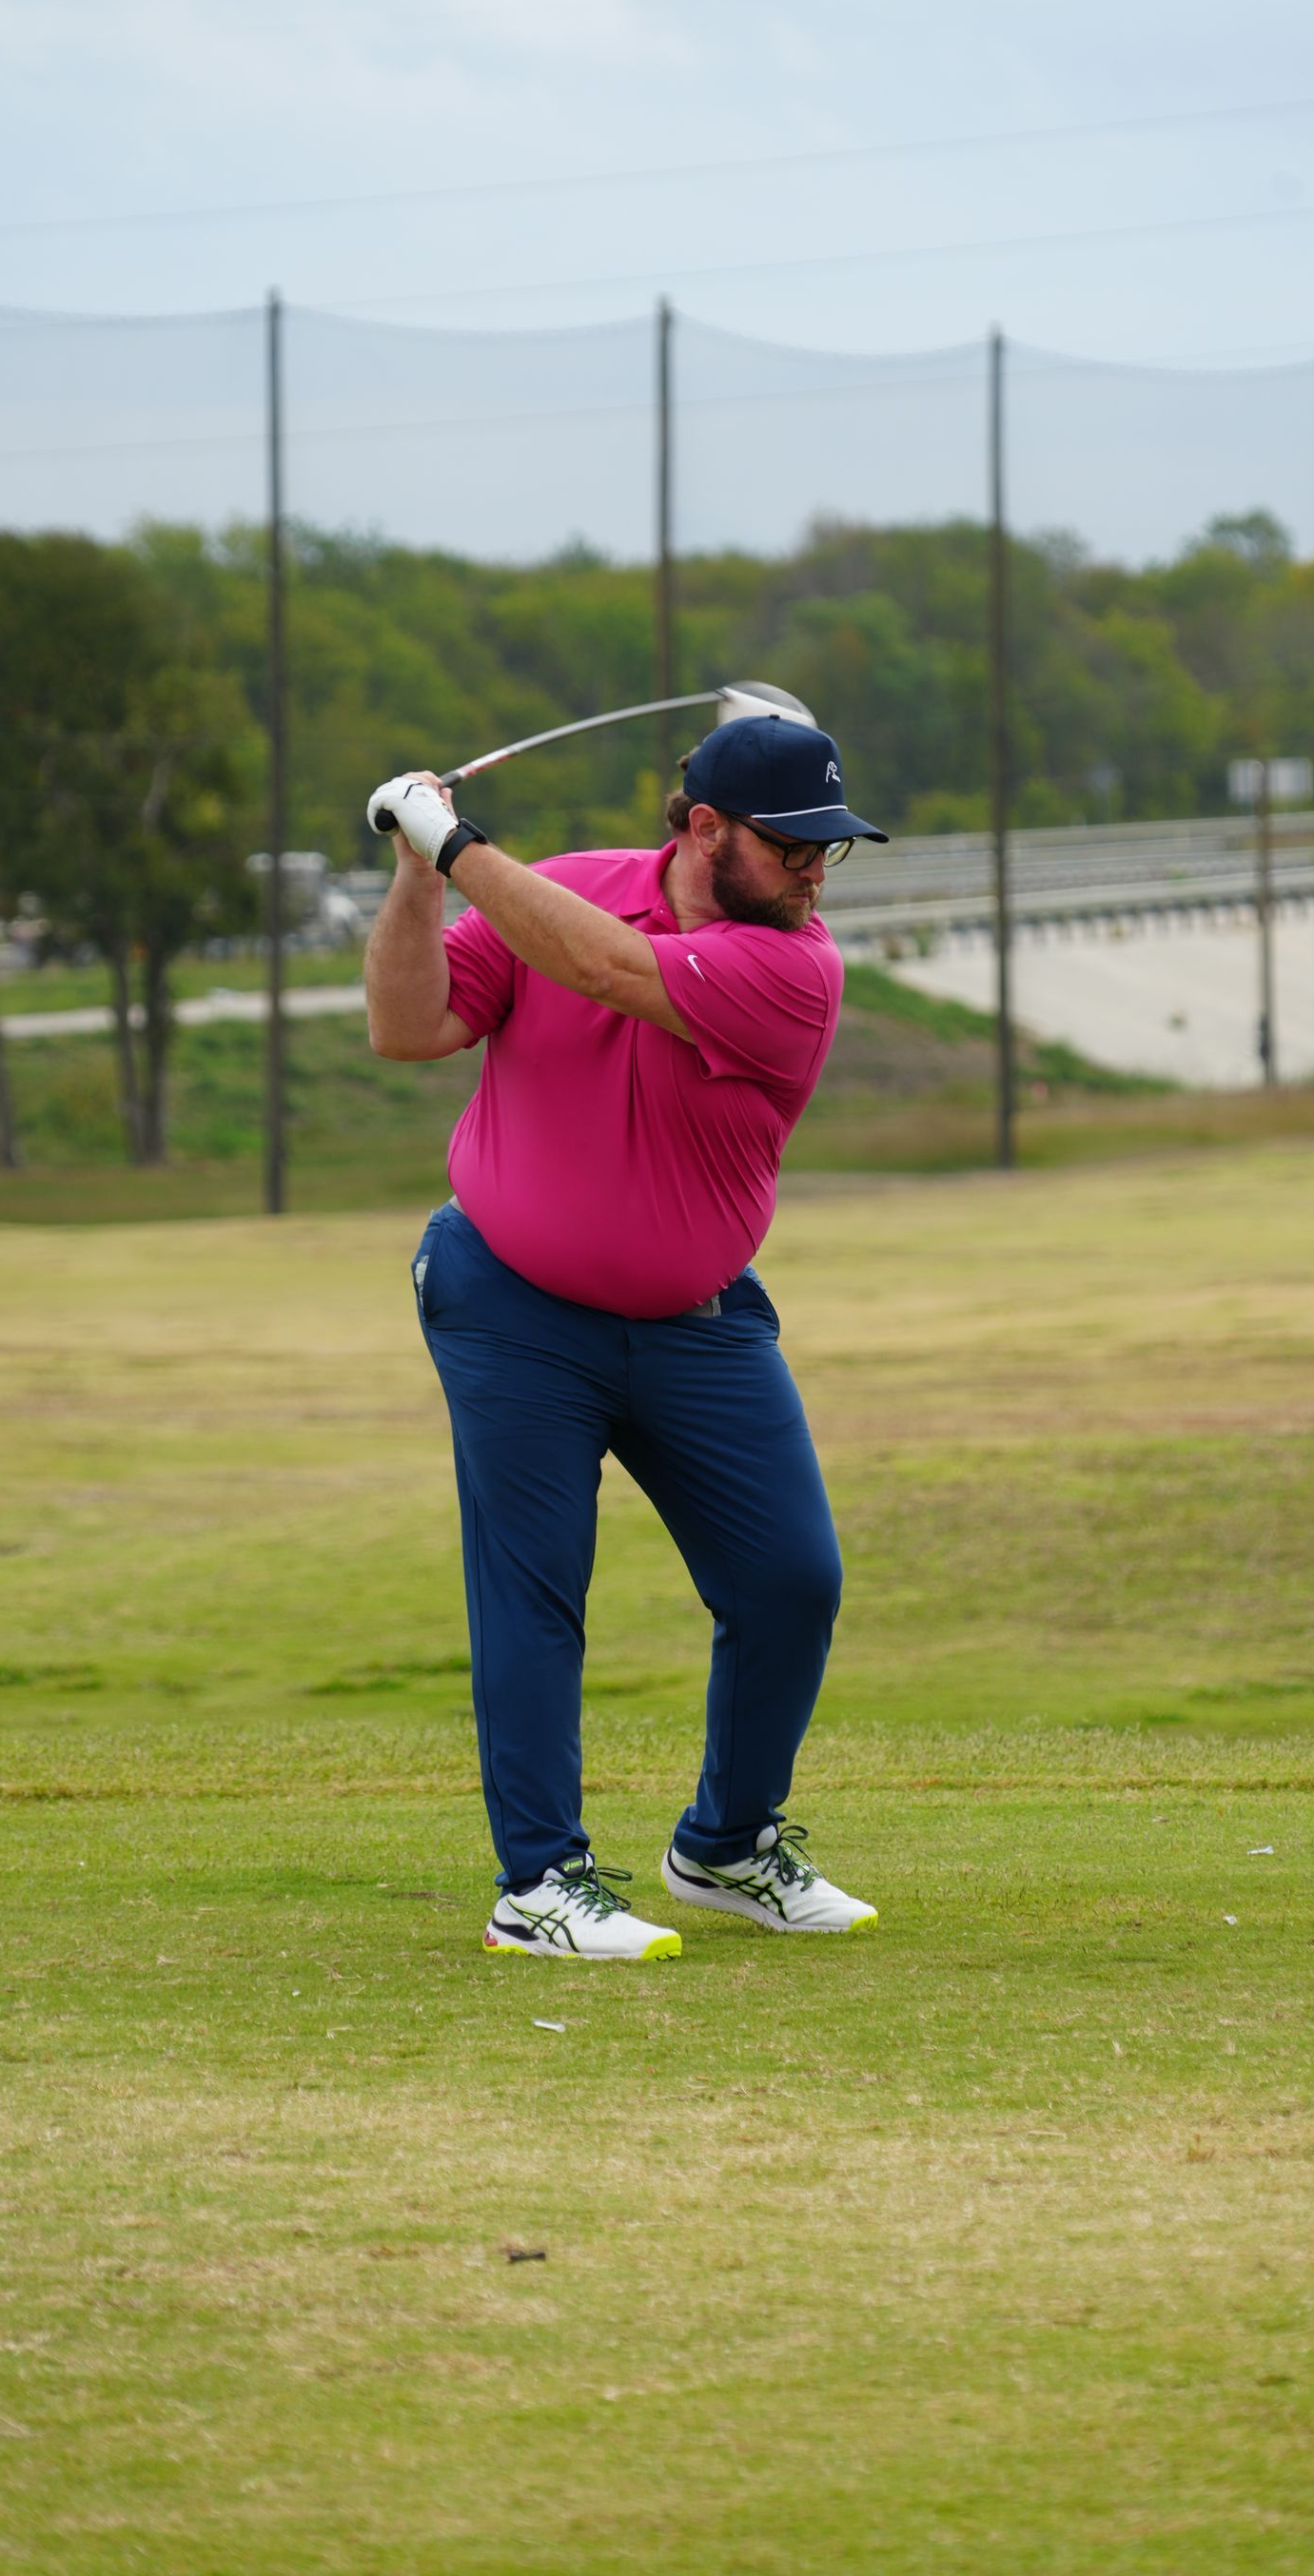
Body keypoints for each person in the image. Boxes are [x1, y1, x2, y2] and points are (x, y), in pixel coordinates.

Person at [364, 705, 889, 1962]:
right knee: (536, 1590)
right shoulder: (564, 894)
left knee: (790, 1580)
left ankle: (726, 1846)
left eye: (832, 847)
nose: (817, 872)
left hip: (697, 1321)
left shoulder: (795, 967)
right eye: (794, 844)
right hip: (511, 1302)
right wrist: (410, 878)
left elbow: (608, 969)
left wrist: (451, 841)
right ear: (705, 827)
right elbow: (408, 1027)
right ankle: (540, 1883)